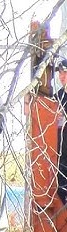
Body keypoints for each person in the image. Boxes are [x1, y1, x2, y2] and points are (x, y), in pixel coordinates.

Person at [53, 58, 67, 203]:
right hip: (61, 146)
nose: (62, 76)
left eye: (65, 73)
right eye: (60, 73)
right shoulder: (58, 96)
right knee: (61, 184)